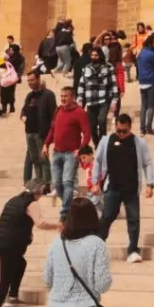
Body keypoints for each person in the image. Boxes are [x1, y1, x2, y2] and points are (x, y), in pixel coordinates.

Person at [0, 181, 58, 307]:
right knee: (5, 278)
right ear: (37, 192)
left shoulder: (14, 200)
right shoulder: (31, 203)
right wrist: (59, 225)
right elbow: (41, 223)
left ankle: (13, 296)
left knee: (21, 263)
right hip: (9, 244)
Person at [93, 113, 154, 264]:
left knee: (133, 219)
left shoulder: (139, 142)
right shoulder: (106, 141)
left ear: (130, 127)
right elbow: (97, 161)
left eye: (124, 131)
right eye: (118, 130)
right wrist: (95, 182)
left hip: (131, 188)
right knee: (107, 217)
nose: (120, 134)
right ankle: (97, 248)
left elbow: (148, 163)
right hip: (112, 187)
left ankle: (133, 249)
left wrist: (150, 184)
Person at [42, 86, 92, 222]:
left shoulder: (80, 113)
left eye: (66, 96)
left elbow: (87, 132)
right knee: (57, 183)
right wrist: (46, 144)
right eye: (62, 96)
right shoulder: (58, 110)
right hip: (57, 152)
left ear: (73, 97)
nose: (63, 99)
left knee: (68, 182)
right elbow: (52, 130)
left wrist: (81, 149)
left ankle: (64, 214)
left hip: (71, 154)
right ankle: (70, 208)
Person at [21, 71, 56, 193]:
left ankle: (46, 184)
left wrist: (51, 132)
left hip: (41, 132)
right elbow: (24, 110)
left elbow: (54, 115)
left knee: (43, 159)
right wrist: (23, 116)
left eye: (32, 80)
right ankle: (39, 181)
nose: (30, 82)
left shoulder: (48, 95)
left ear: (38, 79)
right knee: (34, 158)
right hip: (29, 132)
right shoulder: (30, 96)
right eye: (28, 80)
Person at [76, 46, 118, 146]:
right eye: (92, 55)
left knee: (102, 120)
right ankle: (97, 145)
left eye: (96, 55)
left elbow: (113, 84)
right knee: (92, 126)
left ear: (100, 55)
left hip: (103, 99)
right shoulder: (86, 68)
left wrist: (114, 100)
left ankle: (103, 143)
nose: (94, 57)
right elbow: (81, 83)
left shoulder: (108, 67)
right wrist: (80, 98)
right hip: (90, 100)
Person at [136, 35, 154, 136]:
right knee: (150, 106)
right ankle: (149, 128)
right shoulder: (152, 55)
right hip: (151, 81)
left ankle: (142, 128)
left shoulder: (141, 53)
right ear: (151, 43)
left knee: (143, 106)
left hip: (142, 81)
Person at [76, 146, 101, 216]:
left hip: (96, 189)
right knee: (97, 203)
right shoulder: (87, 165)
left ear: (91, 155)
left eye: (84, 157)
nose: (82, 160)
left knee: (92, 203)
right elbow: (82, 165)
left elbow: (100, 176)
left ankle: (106, 214)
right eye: (81, 158)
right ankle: (106, 213)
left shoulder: (96, 164)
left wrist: (97, 186)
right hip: (90, 189)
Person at [2, 43, 24, 114]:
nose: (10, 51)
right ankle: (6, 107)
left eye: (11, 50)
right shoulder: (10, 58)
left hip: (12, 78)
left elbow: (21, 68)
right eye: (10, 50)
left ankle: (10, 106)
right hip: (9, 78)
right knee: (8, 92)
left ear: (15, 50)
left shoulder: (19, 58)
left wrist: (18, 75)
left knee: (9, 91)